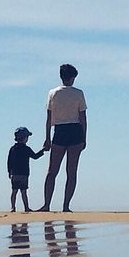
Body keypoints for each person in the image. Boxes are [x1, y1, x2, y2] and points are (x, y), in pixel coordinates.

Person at [40, 63, 87, 213]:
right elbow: (83, 118)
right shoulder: (78, 93)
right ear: (72, 78)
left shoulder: (53, 93)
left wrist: (47, 137)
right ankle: (65, 206)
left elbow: (48, 118)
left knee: (52, 171)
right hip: (74, 130)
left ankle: (47, 205)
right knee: (71, 171)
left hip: (59, 130)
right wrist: (84, 137)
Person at [7, 125, 46, 212]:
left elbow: (9, 162)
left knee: (14, 191)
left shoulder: (13, 149)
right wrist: (43, 150)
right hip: (23, 174)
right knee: (23, 192)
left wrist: (9, 172)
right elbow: (35, 156)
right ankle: (26, 208)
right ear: (24, 138)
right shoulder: (26, 149)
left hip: (15, 173)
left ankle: (13, 208)